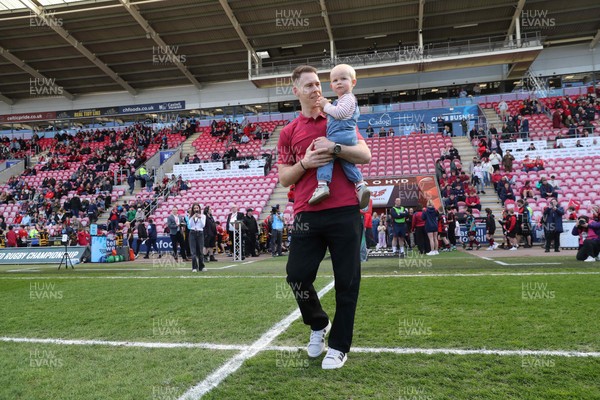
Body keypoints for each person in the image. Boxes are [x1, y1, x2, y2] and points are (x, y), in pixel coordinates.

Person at [277, 65, 371, 370]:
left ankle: (339, 346)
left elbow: (365, 155)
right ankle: (318, 323)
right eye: (309, 86)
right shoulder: (289, 131)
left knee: (348, 281)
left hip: (344, 210)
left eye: (319, 84)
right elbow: (283, 179)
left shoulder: (338, 116)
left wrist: (336, 148)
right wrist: (305, 162)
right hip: (307, 213)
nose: (317, 89)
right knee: (297, 275)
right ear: (296, 91)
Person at [310, 64, 370, 208]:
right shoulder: (342, 100)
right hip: (346, 137)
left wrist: (325, 105)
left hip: (341, 135)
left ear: (353, 82)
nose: (339, 82)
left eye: (343, 79)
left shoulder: (348, 98)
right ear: (331, 85)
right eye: (335, 80)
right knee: (346, 162)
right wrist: (326, 108)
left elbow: (340, 114)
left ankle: (322, 185)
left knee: (326, 155)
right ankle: (360, 185)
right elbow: (335, 115)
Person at [188, 203, 206, 272]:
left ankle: (202, 266)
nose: (196, 209)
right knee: (193, 252)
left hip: (200, 233)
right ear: (193, 209)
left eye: (197, 208)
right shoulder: (190, 216)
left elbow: (203, 225)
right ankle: (194, 267)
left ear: (199, 209)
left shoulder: (203, 216)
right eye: (194, 208)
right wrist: (192, 218)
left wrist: (200, 218)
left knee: (200, 251)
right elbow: (189, 225)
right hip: (192, 233)